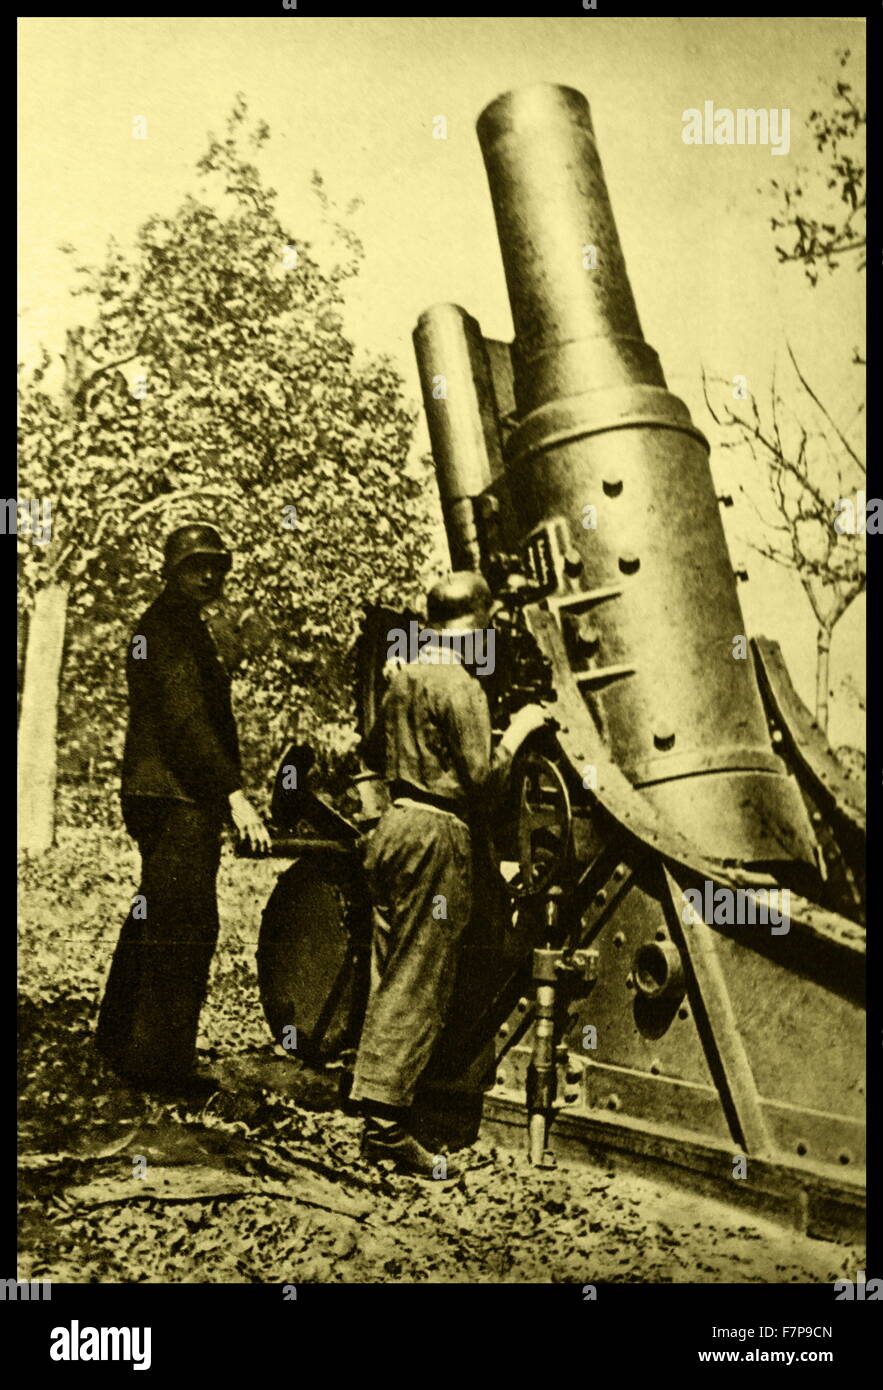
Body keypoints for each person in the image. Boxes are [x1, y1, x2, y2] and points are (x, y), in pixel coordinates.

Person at [352, 570, 552, 1176]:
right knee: (420, 979)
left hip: (394, 826)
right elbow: (485, 785)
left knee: (389, 975)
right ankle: (386, 1130)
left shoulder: (402, 676)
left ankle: (378, 1106)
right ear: (475, 629)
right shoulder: (461, 686)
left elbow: (373, 754)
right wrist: (519, 731)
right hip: (437, 836)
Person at [95, 523, 270, 1095]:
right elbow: (187, 723)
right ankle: (159, 1069)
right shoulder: (167, 629)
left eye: (218, 565)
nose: (211, 575)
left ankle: (119, 1045)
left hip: (163, 793)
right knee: (186, 923)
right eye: (198, 565)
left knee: (156, 911)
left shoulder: (177, 626)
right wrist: (234, 796)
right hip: (175, 796)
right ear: (171, 571)